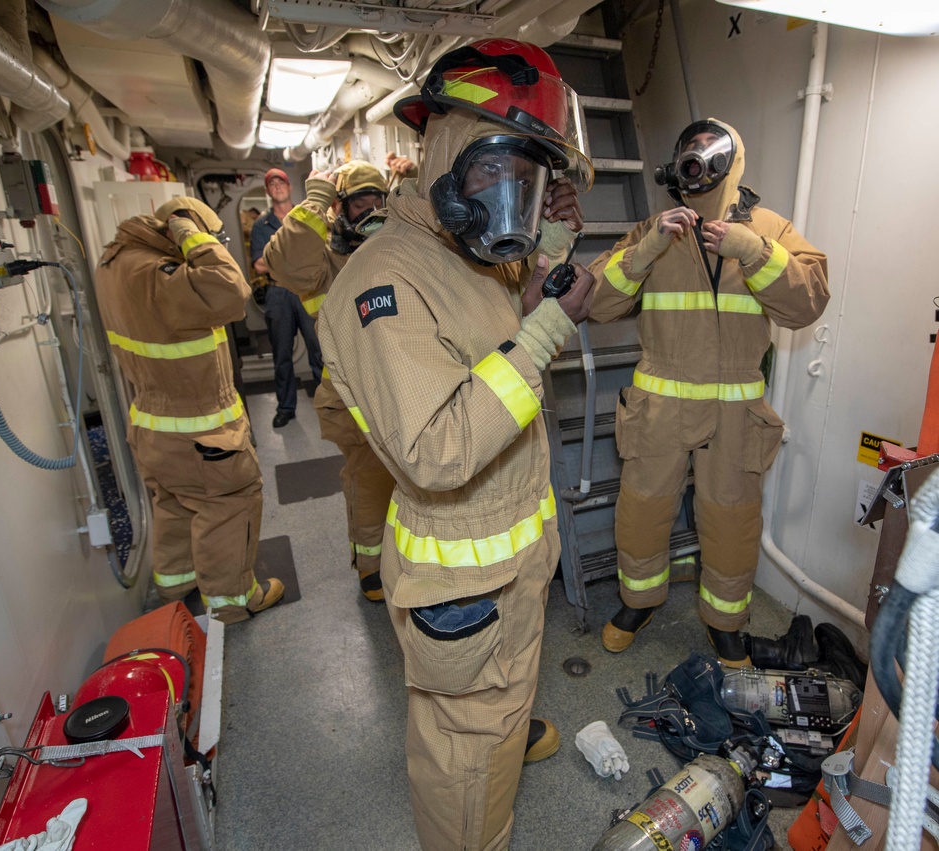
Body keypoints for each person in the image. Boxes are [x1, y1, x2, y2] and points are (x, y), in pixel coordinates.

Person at [316, 39, 594, 851]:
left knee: (493, 716)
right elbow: (437, 446)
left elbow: (501, 331)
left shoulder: (467, 253)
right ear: (443, 155)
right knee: (463, 766)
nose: (511, 201)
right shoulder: (386, 282)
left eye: (528, 182)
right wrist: (545, 328)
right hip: (463, 585)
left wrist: (549, 260)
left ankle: (503, 725)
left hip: (508, 566)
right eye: (496, 173)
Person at [588, 118, 830, 666]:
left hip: (734, 410)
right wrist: (648, 248)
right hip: (660, 403)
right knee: (643, 510)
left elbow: (808, 302)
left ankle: (725, 622)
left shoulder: (771, 229)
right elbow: (599, 304)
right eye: (687, 154)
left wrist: (755, 251)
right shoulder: (655, 229)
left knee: (732, 517)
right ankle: (638, 600)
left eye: (705, 153)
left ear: (730, 161)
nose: (695, 163)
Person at [94, 196, 284, 624]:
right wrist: (188, 230)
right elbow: (232, 293)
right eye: (210, 237)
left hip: (150, 425)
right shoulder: (162, 275)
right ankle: (233, 601)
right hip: (199, 429)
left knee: (175, 504)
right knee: (227, 507)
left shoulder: (115, 264)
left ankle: (176, 582)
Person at [262, 160, 396, 602]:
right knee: (370, 477)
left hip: (402, 378)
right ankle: (371, 567)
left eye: (379, 198)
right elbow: (281, 262)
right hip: (352, 387)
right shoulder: (322, 256)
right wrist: (314, 200)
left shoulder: (399, 242)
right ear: (341, 207)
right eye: (361, 200)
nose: (373, 208)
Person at [251, 167, 323, 428]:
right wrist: (295, 262)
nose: (278, 187)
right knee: (282, 354)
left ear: (290, 187)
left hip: (306, 290)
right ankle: (286, 408)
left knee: (319, 350)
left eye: (281, 182)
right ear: (268, 191)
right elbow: (259, 264)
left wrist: (280, 260)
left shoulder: (303, 217)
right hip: (278, 293)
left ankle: (331, 405)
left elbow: (318, 249)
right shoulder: (262, 224)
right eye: (272, 184)